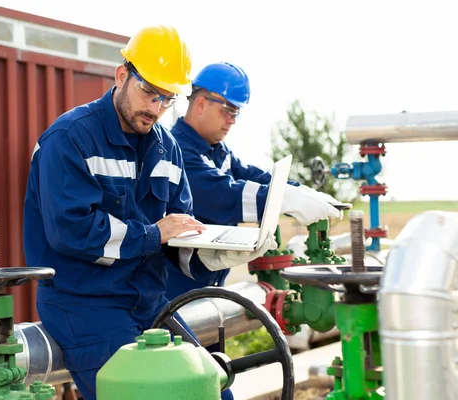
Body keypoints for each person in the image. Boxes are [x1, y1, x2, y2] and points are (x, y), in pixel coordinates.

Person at [22, 27, 274, 399]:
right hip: (85, 305)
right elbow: (72, 231)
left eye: (167, 99)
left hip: (150, 304)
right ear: (122, 75)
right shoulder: (71, 138)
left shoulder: (165, 147)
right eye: (150, 93)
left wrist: (216, 255)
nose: (156, 108)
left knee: (211, 390)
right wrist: (155, 234)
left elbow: (178, 235)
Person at [165, 62, 342, 300]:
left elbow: (250, 175)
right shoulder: (176, 150)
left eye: (236, 112)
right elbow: (222, 193)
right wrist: (285, 200)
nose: (233, 120)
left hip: (207, 285)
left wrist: (301, 191)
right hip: (173, 292)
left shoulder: (217, 150)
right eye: (228, 109)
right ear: (200, 103)